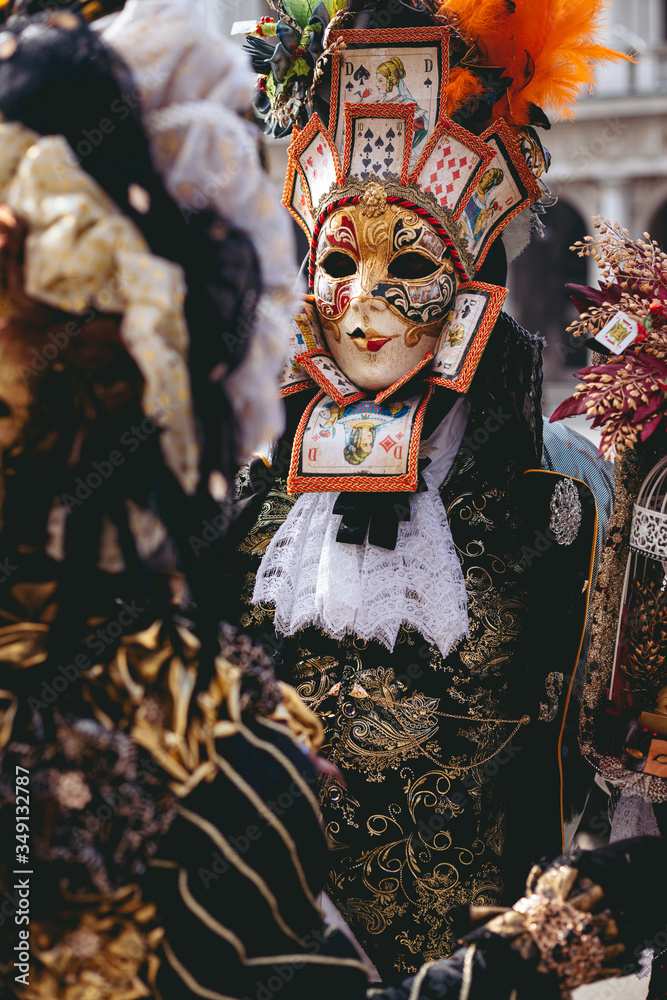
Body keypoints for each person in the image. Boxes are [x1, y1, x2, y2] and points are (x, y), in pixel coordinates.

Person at [227, 0, 629, 979]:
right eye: (335, 261)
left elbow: (630, 795)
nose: (362, 306)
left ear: (471, 283)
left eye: (407, 264)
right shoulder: (240, 509)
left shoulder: (563, 508)